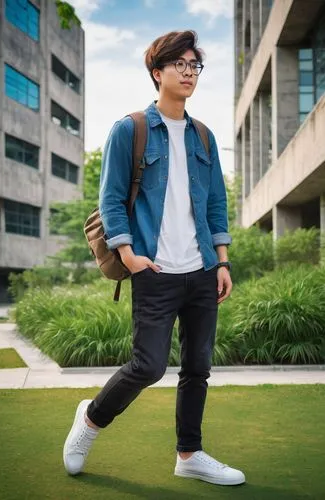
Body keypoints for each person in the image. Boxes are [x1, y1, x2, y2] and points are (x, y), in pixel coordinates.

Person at [63, 30, 245, 487]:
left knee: (198, 367)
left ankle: (189, 454)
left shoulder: (203, 136)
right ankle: (90, 420)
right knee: (148, 365)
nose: (188, 72)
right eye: (179, 64)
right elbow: (110, 200)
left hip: (202, 269)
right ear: (156, 72)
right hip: (154, 268)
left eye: (194, 65)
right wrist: (130, 255)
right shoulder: (131, 129)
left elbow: (215, 204)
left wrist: (221, 261)